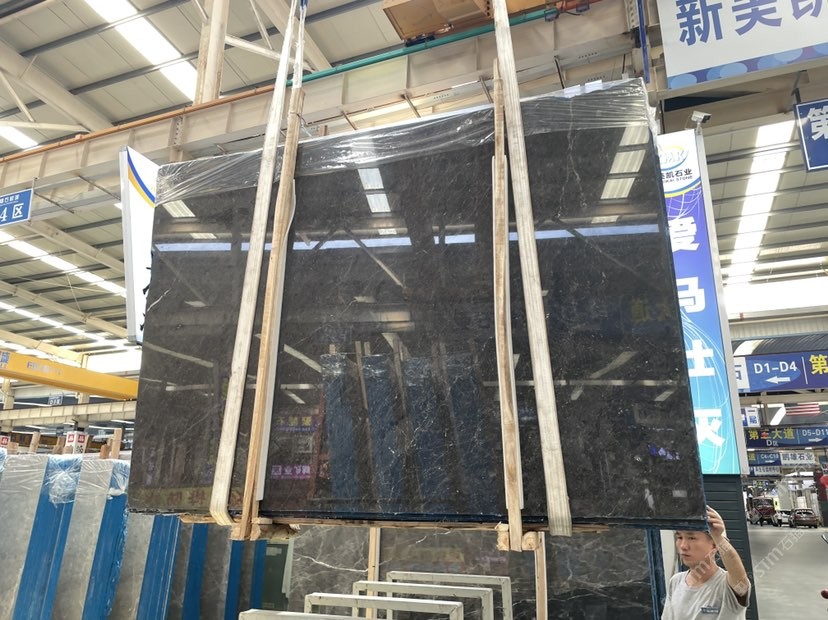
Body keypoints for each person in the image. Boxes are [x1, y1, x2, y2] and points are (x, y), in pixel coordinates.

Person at [661, 505, 751, 619]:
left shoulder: (727, 586)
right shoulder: (675, 582)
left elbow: (739, 577)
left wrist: (718, 537)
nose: (683, 546)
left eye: (692, 538)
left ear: (714, 545)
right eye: (679, 537)